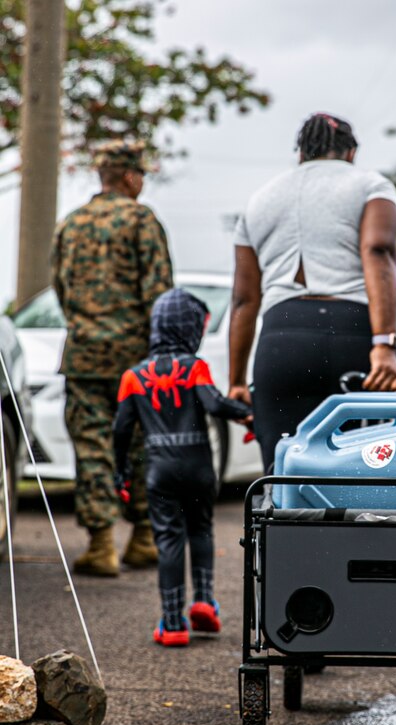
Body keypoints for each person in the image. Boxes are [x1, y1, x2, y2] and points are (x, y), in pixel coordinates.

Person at [229, 112, 396, 471]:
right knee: (362, 472)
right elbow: (377, 251)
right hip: (351, 334)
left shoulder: (259, 200)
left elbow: (244, 300)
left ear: (300, 153)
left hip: (281, 339)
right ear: (351, 153)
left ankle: (283, 528)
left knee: (283, 474)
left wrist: (236, 381)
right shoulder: (372, 186)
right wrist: (384, 344)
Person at [51, 140, 174, 577]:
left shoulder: (71, 223)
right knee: (142, 445)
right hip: (135, 359)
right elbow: (159, 292)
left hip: (83, 354)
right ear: (129, 177)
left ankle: (100, 544)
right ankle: (143, 537)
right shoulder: (141, 219)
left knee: (92, 446)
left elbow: (61, 290)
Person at [112, 288, 252, 646]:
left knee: (169, 539)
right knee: (201, 530)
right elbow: (216, 404)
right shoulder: (195, 368)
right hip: (199, 466)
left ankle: (172, 623)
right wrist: (250, 416)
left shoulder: (133, 376)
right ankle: (204, 601)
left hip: (159, 470)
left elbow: (121, 430)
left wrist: (122, 473)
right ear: (190, 328)